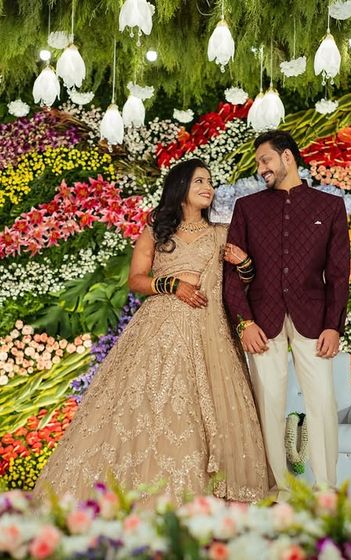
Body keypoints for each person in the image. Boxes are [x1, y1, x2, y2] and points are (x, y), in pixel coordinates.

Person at [33, 158, 269, 506]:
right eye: (199, 181)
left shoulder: (223, 232)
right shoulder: (157, 231)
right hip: (160, 328)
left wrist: (245, 263)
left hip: (209, 330)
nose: (208, 187)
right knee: (153, 403)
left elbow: (239, 285)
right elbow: (136, 280)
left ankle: (205, 488)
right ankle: (144, 486)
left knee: (199, 406)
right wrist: (172, 285)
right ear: (180, 189)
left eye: (209, 181)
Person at [223, 130, 350, 490]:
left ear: (288, 157)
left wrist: (334, 325)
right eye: (258, 163)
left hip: (315, 320)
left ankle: (326, 489)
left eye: (265, 160)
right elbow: (230, 272)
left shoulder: (329, 207)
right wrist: (244, 323)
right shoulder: (247, 208)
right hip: (262, 320)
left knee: (322, 400)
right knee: (269, 403)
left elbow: (338, 274)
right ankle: (278, 488)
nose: (261, 168)